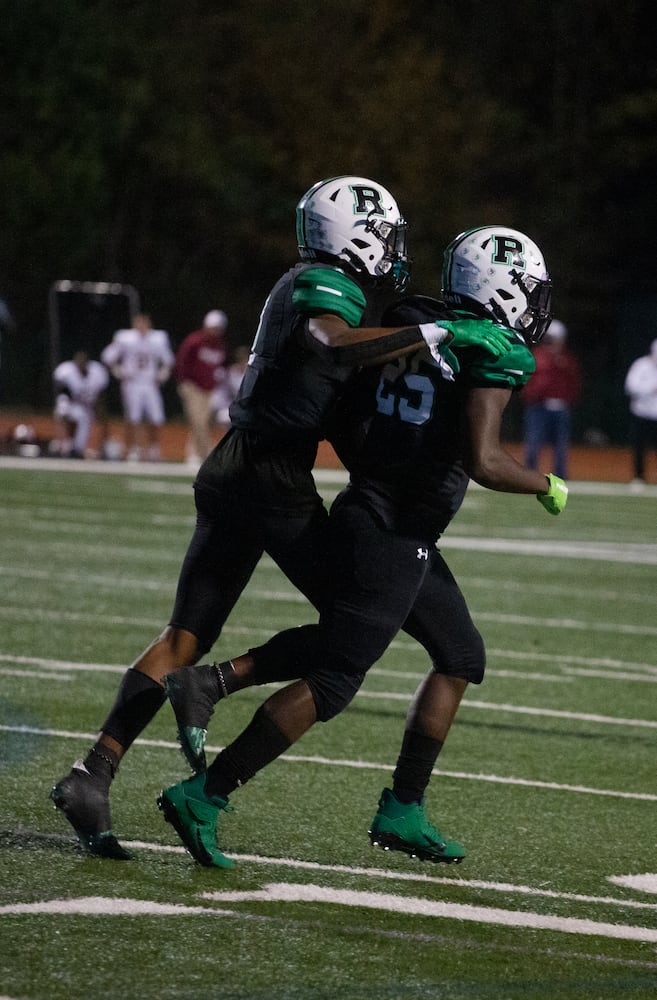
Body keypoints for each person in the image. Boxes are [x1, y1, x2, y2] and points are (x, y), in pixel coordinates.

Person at [50, 177, 510, 859]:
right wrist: (432, 329)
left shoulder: (315, 281)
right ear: (349, 236)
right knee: (352, 632)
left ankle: (96, 770)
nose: (390, 249)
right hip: (271, 479)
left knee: (185, 633)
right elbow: (331, 343)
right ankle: (216, 689)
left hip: (235, 467)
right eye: (382, 235)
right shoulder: (324, 284)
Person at [157, 226, 567, 870]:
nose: (536, 306)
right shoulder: (493, 350)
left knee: (459, 654)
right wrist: (547, 484)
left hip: (378, 515)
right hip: (396, 533)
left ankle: (402, 807)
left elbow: (350, 415)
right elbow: (486, 461)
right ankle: (203, 794)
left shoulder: (410, 321)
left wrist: (380, 471)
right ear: (503, 287)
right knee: (336, 677)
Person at [101, 313, 174, 462]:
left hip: (150, 383)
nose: (141, 327)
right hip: (132, 383)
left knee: (156, 418)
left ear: (149, 324)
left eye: (144, 323)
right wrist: (118, 370)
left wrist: (163, 374)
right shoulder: (125, 339)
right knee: (133, 418)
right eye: (139, 323)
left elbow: (168, 360)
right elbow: (108, 357)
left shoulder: (157, 339)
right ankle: (134, 448)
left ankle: (153, 450)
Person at [521, 318, 582, 479]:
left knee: (560, 447)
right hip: (538, 406)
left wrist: (568, 399)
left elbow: (574, 383)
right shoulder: (538, 356)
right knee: (533, 443)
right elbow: (529, 380)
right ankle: (529, 475)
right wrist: (532, 395)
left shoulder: (567, 359)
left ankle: (560, 477)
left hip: (560, 407)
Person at [175, 310, 229, 465]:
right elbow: (182, 361)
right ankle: (209, 453)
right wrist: (183, 382)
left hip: (208, 388)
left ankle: (193, 453)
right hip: (192, 386)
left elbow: (217, 367)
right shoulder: (194, 341)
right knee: (198, 420)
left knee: (201, 422)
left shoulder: (219, 346)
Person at [50, 350, 109, 458]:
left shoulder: (96, 372)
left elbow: (101, 395)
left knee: (85, 418)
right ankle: (63, 443)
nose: (81, 365)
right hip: (71, 403)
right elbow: (61, 392)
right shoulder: (66, 371)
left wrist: (99, 409)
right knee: (61, 408)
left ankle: (77, 448)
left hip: (87, 407)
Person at [624, 338, 657, 484]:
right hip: (641, 413)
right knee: (639, 448)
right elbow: (630, 387)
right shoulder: (641, 365)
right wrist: (651, 388)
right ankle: (639, 478)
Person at [212, 344, 250, 428]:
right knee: (222, 416)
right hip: (234, 404)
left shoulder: (254, 373)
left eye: (244, 358)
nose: (242, 361)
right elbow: (222, 390)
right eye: (240, 358)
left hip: (250, 407)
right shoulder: (231, 372)